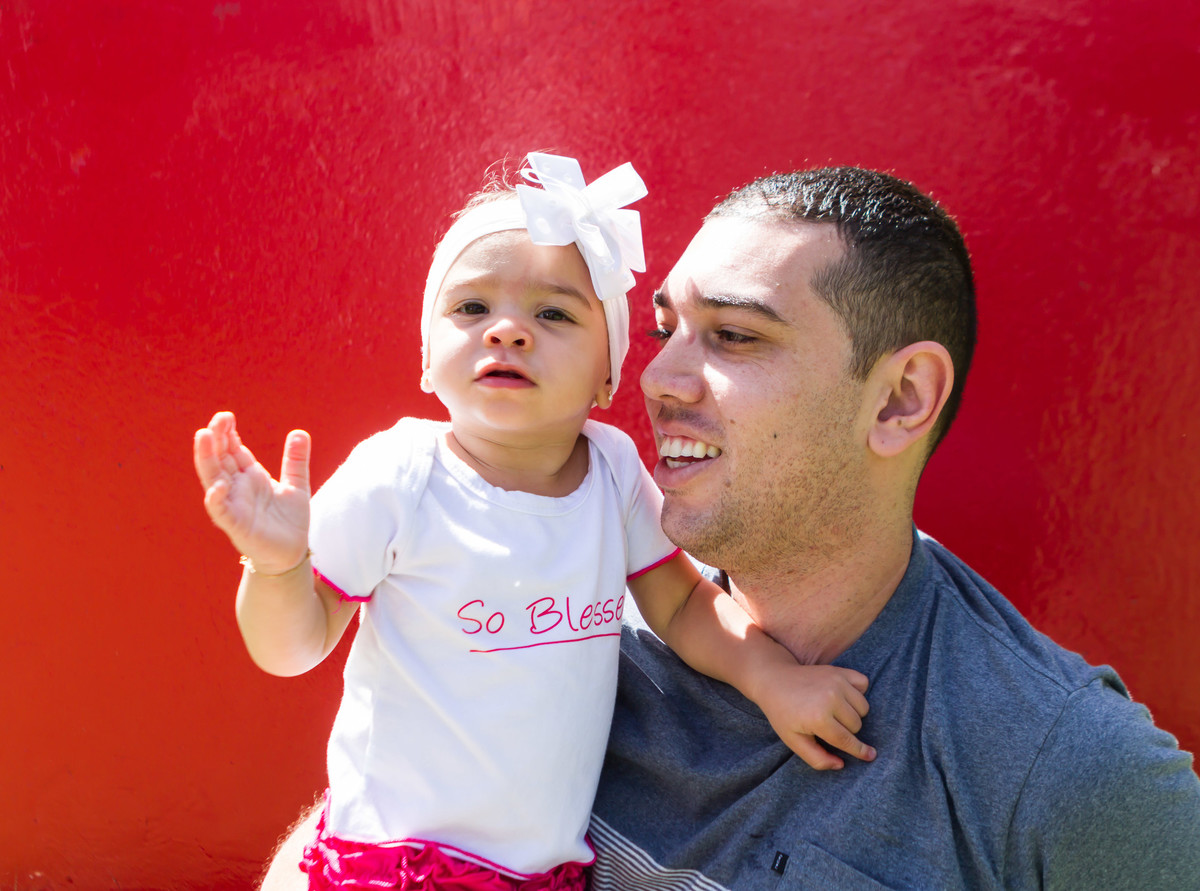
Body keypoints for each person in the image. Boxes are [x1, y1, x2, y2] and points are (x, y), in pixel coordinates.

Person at [194, 154, 876, 890]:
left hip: (540, 871)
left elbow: (681, 604)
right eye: (471, 308)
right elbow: (291, 647)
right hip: (396, 864)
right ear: (427, 358)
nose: (508, 331)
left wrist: (773, 678)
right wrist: (276, 566)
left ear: (607, 374)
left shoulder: (612, 470)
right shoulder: (400, 474)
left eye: (553, 314)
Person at [587, 166, 1200, 889]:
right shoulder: (561, 613)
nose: (660, 377)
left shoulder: (1068, 769)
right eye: (667, 329)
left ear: (900, 401)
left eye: (733, 335)